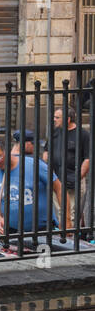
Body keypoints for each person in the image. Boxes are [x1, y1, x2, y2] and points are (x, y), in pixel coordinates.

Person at [0, 140, 60, 243]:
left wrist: (66, 220)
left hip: (42, 230)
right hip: (11, 232)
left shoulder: (34, 165)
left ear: (6, 151)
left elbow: (59, 187)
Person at [44, 101, 90, 239]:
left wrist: (78, 176)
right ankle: (62, 237)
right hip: (56, 178)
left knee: (72, 212)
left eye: (57, 117)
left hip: (74, 180)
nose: (54, 119)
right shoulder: (55, 132)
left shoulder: (82, 134)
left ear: (68, 119)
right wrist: (47, 167)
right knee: (59, 212)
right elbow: (46, 150)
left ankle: (70, 240)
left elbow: (87, 158)